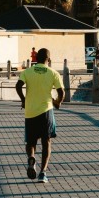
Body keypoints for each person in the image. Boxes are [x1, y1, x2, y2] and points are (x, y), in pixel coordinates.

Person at [15, 48, 64, 184]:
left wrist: (23, 100)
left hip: (30, 112)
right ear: (48, 59)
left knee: (30, 142)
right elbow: (61, 92)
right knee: (46, 141)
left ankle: (31, 157)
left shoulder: (27, 72)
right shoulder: (53, 73)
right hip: (46, 111)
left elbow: (18, 86)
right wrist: (58, 102)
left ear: (36, 59)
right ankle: (43, 173)